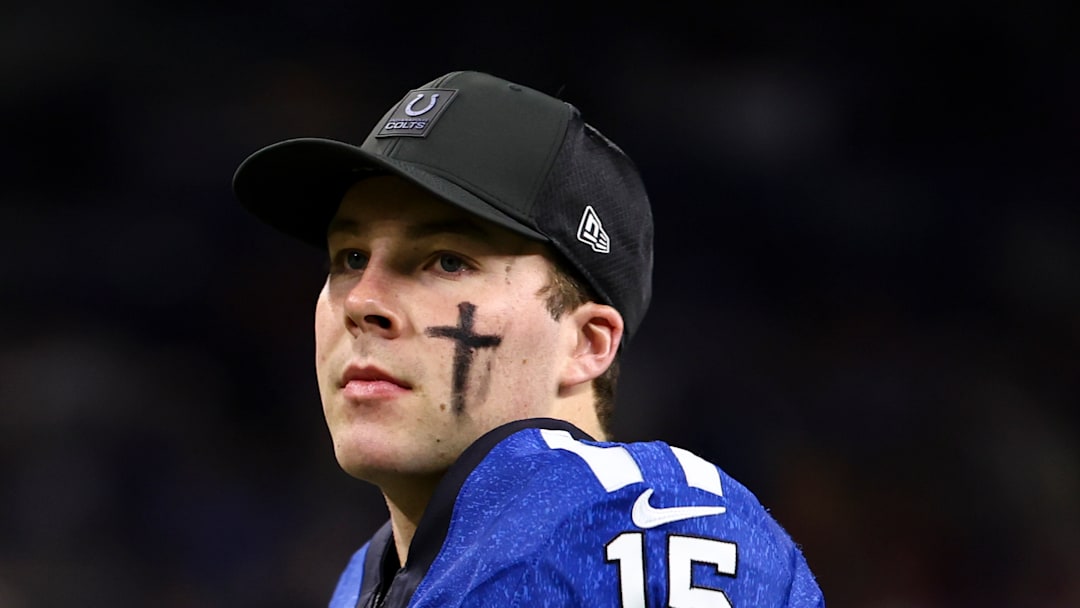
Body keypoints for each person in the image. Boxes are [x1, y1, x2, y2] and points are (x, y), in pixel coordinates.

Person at [232, 70, 824, 608]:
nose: (361, 301)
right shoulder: (372, 575)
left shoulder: (628, 521)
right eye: (350, 256)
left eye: (446, 261)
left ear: (586, 343)